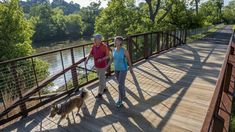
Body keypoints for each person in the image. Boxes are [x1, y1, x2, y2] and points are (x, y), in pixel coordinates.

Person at [85, 34, 110, 99]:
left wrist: (101, 59)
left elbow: (108, 56)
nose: (94, 40)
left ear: (100, 39)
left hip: (102, 65)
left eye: (95, 39)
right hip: (96, 65)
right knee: (101, 78)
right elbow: (90, 54)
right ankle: (105, 88)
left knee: (101, 80)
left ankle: (100, 93)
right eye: (94, 39)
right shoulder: (94, 46)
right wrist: (87, 59)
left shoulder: (104, 46)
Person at [112, 36, 133, 107]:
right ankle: (123, 95)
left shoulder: (124, 50)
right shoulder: (114, 50)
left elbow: (129, 59)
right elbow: (112, 59)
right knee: (121, 83)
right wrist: (107, 66)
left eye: (116, 40)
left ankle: (120, 100)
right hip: (116, 69)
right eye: (114, 40)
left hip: (123, 69)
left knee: (119, 85)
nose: (114, 42)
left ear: (120, 42)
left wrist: (130, 67)